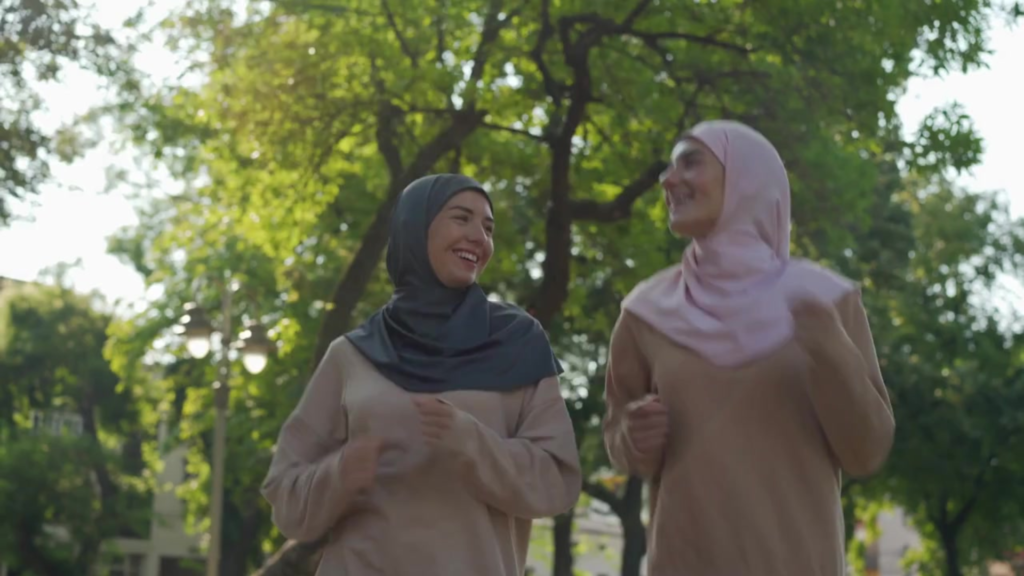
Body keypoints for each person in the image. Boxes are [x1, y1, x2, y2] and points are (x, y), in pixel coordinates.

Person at [602, 120, 895, 575]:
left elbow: (867, 451)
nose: (668, 179)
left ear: (748, 177)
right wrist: (631, 436)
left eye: (691, 162)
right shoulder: (645, 312)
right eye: (669, 167)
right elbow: (619, 438)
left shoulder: (828, 299)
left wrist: (829, 350)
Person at [261, 174, 581, 575]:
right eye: (461, 218)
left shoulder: (519, 343)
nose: (478, 237)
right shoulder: (351, 355)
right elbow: (285, 499)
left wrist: (471, 442)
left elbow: (557, 482)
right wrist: (339, 473)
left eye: (487, 227)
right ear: (416, 227)